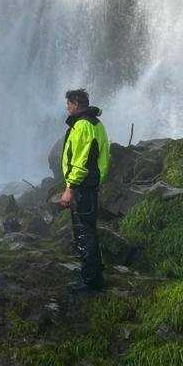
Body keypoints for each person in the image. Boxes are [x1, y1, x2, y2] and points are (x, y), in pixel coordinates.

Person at [59, 88, 110, 293]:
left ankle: (90, 282)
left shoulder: (82, 126)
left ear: (76, 104)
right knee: (89, 230)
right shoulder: (97, 124)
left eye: (68, 104)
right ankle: (95, 276)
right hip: (90, 184)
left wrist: (70, 187)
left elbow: (81, 161)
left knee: (83, 233)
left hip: (82, 186)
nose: (66, 107)